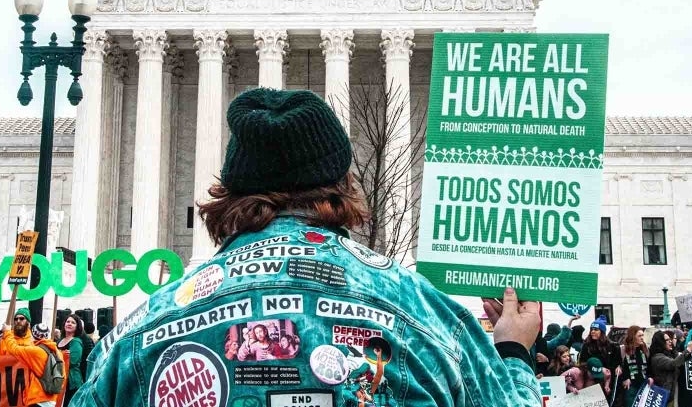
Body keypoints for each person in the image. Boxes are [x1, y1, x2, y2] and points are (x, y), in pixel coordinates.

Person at [72, 88, 542, 407]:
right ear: (341, 184)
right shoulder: (429, 317)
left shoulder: (139, 334)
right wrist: (514, 352)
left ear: (230, 191)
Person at [0, 308, 65, 407]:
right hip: (45, 398)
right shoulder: (55, 350)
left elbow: (15, 349)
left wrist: (7, 332)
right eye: (15, 319)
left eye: (21, 318)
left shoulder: (34, 350)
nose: (18, 321)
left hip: (36, 397)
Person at [648, 330, 692, 405]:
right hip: (661, 396)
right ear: (660, 342)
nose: (670, 342)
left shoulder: (669, 354)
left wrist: (689, 351)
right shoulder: (657, 357)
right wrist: (688, 350)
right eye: (667, 340)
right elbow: (673, 364)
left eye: (670, 339)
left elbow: (680, 360)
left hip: (669, 396)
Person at [580, 316, 622, 383]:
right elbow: (582, 362)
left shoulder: (613, 346)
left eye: (596, 329)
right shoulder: (586, 345)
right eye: (591, 329)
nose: (592, 332)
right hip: (591, 378)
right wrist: (598, 368)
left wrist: (619, 367)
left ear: (602, 332)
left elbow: (618, 363)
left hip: (609, 379)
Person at [58, 314, 86, 406]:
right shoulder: (60, 341)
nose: (69, 324)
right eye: (68, 322)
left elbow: (72, 361)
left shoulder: (76, 342)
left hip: (71, 381)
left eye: (73, 323)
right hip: (59, 379)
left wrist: (57, 355)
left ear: (77, 327)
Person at [619, 326, 651, 407]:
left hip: (643, 384)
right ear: (633, 336)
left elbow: (649, 365)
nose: (642, 338)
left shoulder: (645, 349)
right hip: (630, 386)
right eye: (639, 336)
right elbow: (618, 366)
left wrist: (650, 377)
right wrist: (625, 378)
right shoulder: (623, 349)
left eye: (643, 335)